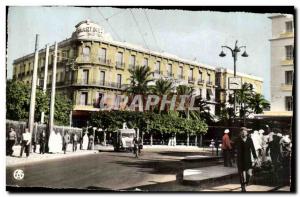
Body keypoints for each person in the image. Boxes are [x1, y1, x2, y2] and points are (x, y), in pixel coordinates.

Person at [235, 127, 258, 192]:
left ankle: (246, 182)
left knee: (248, 174)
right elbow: (233, 147)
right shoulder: (238, 139)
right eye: (242, 132)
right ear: (240, 133)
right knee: (241, 173)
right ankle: (243, 187)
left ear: (247, 133)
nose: (243, 133)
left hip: (248, 158)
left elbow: (253, 148)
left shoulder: (249, 139)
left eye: (245, 132)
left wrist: (255, 157)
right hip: (240, 158)